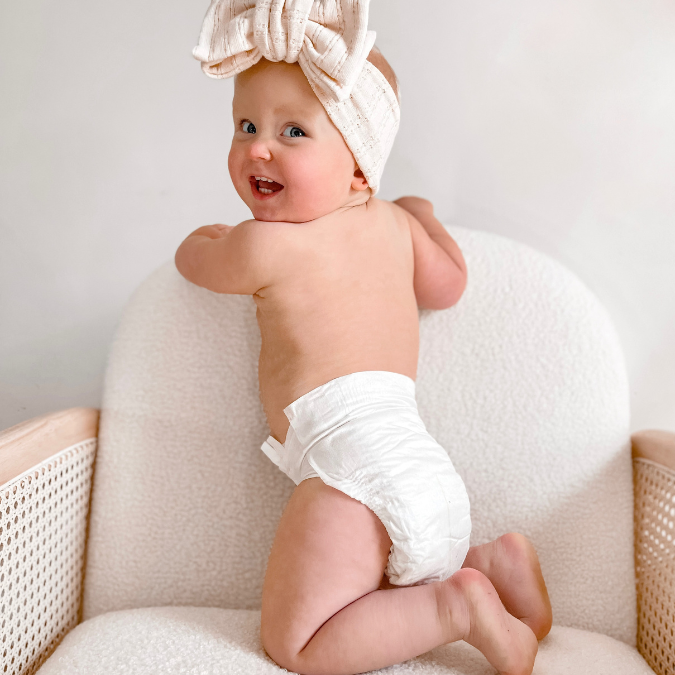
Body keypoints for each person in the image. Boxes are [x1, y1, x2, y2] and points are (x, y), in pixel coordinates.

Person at [176, 2, 552, 674]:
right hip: (424, 467)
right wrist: (422, 214)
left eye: (293, 130)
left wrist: (214, 235)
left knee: (296, 640)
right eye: (245, 124)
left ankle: (457, 606)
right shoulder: (397, 232)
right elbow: (450, 284)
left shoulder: (265, 245)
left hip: (346, 475)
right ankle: (490, 563)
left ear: (359, 166)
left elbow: (194, 258)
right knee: (385, 581)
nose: (258, 146)